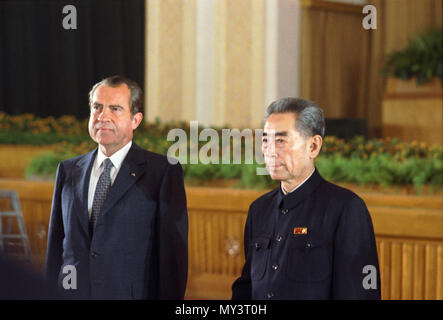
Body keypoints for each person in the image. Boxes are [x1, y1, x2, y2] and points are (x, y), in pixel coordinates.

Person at [45, 76, 188, 299]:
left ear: (136, 120)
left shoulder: (161, 172)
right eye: (97, 107)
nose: (103, 117)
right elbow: (57, 248)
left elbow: (172, 259)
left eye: (115, 109)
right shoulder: (68, 170)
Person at [232, 98, 380, 300]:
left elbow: (360, 294)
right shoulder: (259, 209)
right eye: (266, 140)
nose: (270, 151)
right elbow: (247, 287)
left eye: (281, 141)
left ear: (313, 146)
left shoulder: (345, 209)